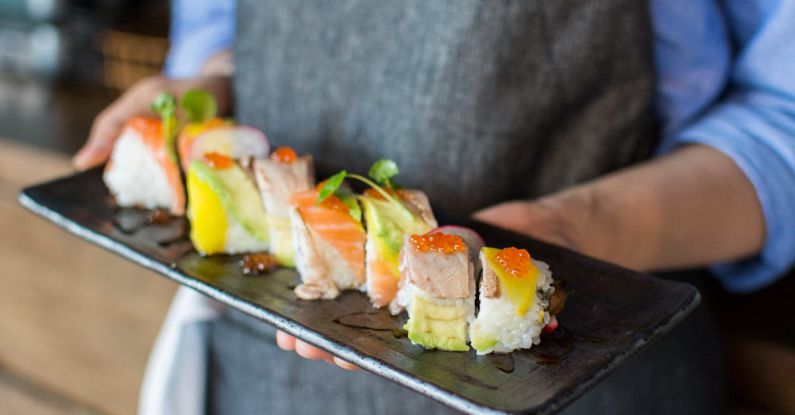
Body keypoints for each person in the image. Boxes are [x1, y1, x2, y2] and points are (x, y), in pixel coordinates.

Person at [74, 0, 795, 413]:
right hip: (266, 372)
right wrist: (211, 91)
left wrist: (573, 230)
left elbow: (782, 121)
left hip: (588, 381)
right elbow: (221, 28)